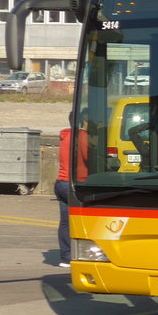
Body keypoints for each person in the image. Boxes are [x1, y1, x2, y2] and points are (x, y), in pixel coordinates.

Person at [55, 112, 89, 267]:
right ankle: (88, 252)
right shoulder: (81, 136)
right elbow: (87, 156)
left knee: (65, 222)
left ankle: (65, 256)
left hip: (60, 182)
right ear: (84, 121)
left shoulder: (65, 136)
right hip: (74, 184)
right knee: (86, 219)